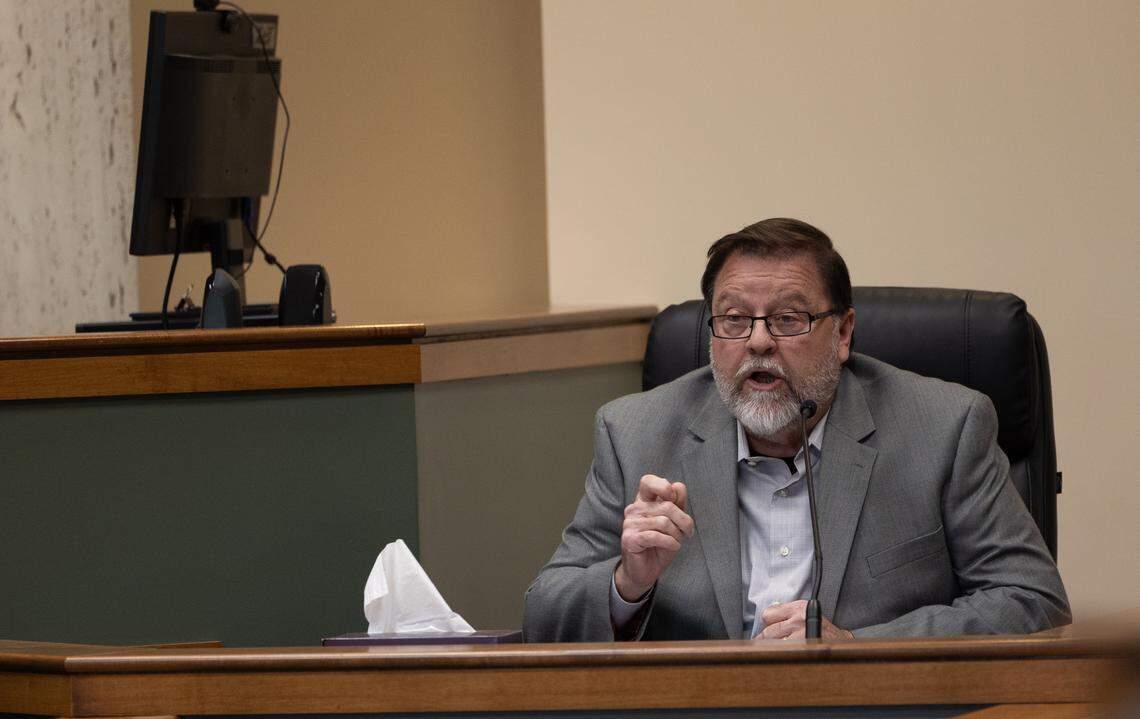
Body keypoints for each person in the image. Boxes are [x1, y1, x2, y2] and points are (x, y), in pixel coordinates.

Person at [523, 218, 1070, 642]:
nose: (758, 342)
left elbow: (1032, 599)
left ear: (843, 334)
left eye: (788, 319)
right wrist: (628, 582)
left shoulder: (946, 428)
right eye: (734, 319)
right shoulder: (634, 431)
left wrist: (858, 649)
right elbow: (544, 614)